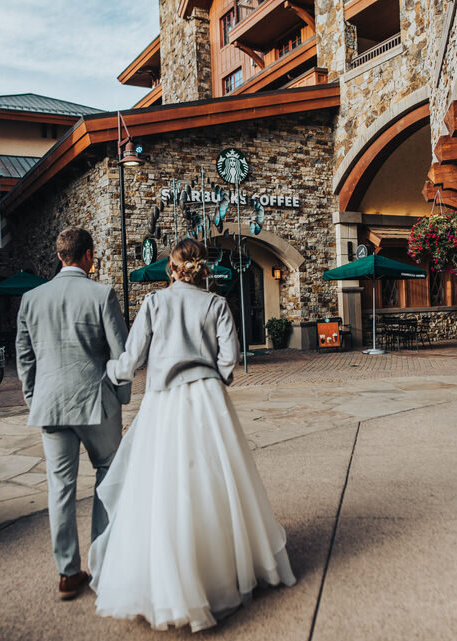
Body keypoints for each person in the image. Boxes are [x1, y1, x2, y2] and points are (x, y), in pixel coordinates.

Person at [88, 238, 296, 632]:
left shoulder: (154, 303)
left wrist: (110, 372)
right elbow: (229, 357)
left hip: (163, 401)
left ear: (172, 267)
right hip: (206, 396)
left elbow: (132, 359)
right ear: (202, 269)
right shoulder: (216, 304)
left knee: (161, 485)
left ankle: (168, 575)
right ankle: (221, 566)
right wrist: (217, 378)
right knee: (215, 481)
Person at [15, 227, 129, 600]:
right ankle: (102, 561)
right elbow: (120, 354)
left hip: (50, 405)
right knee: (109, 476)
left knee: (60, 489)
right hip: (96, 403)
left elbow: (24, 358)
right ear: (88, 255)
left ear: (61, 256)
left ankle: (67, 572)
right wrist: (121, 398)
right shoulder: (101, 294)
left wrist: (35, 399)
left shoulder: (31, 299)